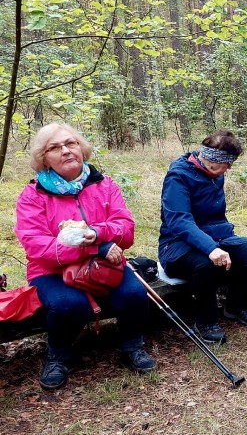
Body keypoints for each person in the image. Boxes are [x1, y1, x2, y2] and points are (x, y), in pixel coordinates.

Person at [15, 122, 155, 390]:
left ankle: (132, 346)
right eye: (55, 148)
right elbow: (36, 246)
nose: (66, 151)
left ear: (81, 148)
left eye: (71, 143)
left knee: (134, 294)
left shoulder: (104, 184)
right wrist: (95, 246)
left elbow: (126, 230)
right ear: (44, 158)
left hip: (105, 265)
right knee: (70, 305)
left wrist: (97, 232)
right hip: (52, 271)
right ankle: (58, 355)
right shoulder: (32, 195)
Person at [159, 130, 247, 344]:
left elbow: (215, 217)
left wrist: (222, 241)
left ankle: (237, 306)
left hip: (217, 238)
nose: (228, 169)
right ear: (211, 161)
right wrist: (211, 248)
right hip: (175, 246)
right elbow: (179, 220)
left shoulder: (215, 175)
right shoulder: (178, 176)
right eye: (226, 164)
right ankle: (206, 320)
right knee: (206, 264)